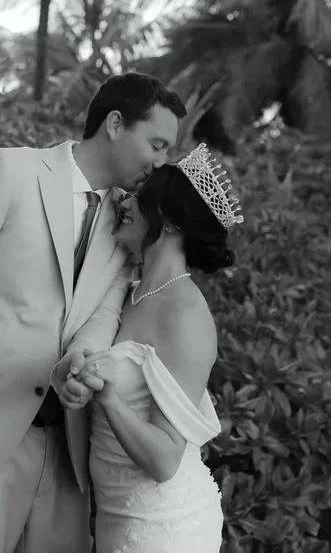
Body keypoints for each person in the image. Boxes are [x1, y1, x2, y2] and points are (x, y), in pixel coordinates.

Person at [0, 72, 186, 553]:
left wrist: (81, 364)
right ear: (116, 123)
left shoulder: (127, 221)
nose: (162, 162)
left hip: (68, 446)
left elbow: (103, 315)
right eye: (157, 144)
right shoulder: (7, 173)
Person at [55, 142, 244, 552]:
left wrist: (109, 400)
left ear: (171, 222)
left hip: (163, 527)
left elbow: (164, 460)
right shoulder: (134, 290)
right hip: (116, 516)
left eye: (140, 198)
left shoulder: (185, 315)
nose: (124, 200)